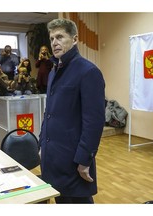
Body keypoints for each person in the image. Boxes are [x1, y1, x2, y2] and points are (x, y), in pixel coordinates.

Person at [39, 18, 105, 204]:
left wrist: (85, 160)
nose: (54, 43)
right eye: (52, 38)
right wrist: (42, 144)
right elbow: (49, 113)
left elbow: (94, 121)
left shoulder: (88, 71)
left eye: (60, 37)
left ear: (74, 39)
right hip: (53, 156)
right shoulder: (54, 71)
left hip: (74, 160)